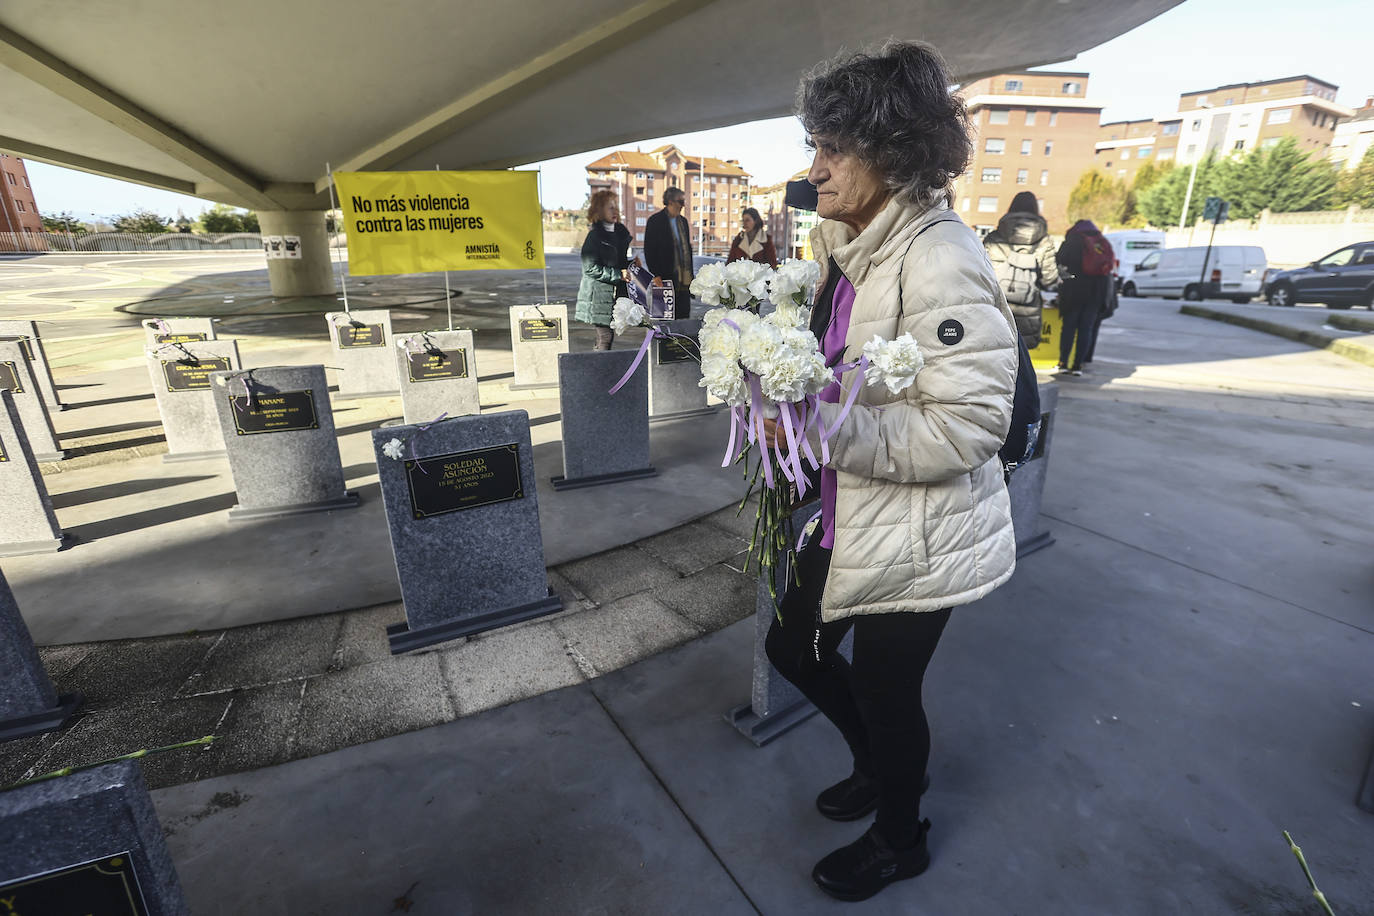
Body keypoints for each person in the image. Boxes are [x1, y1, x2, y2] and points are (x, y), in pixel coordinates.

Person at [758, 41, 1019, 903]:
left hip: (921, 530)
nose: (815, 169)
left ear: (893, 153)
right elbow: (835, 366)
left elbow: (969, 424)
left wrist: (821, 428)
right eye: (814, 145)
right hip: (852, 510)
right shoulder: (846, 244)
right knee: (794, 649)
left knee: (885, 686)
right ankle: (877, 766)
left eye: (833, 148)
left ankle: (900, 836)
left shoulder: (939, 255)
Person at [981, 191, 1058, 347]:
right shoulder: (1044, 241)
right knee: (1022, 354)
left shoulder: (994, 238)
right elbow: (1050, 279)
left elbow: (981, 273)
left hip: (997, 306)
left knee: (995, 351)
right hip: (1028, 310)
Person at [1054, 219, 1114, 375]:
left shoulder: (1072, 241)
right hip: (1095, 292)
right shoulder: (1101, 242)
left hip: (1073, 290)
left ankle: (1063, 362)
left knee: (1068, 327)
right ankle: (1078, 365)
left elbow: (1059, 262)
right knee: (1086, 329)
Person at [574, 189, 631, 350]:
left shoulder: (618, 233)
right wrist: (619, 274)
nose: (615, 211)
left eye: (616, 207)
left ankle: (598, 363)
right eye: (610, 208)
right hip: (597, 296)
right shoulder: (595, 236)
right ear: (599, 210)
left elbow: (617, 263)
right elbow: (590, 267)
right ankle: (600, 365)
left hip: (611, 295)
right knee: (605, 336)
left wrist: (632, 264)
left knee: (605, 337)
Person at [643, 187, 693, 318]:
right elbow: (649, 250)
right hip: (664, 280)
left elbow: (687, 251)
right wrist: (655, 274)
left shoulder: (683, 222)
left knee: (683, 319)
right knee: (665, 319)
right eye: (680, 202)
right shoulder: (655, 221)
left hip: (684, 283)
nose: (683, 205)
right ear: (670, 202)